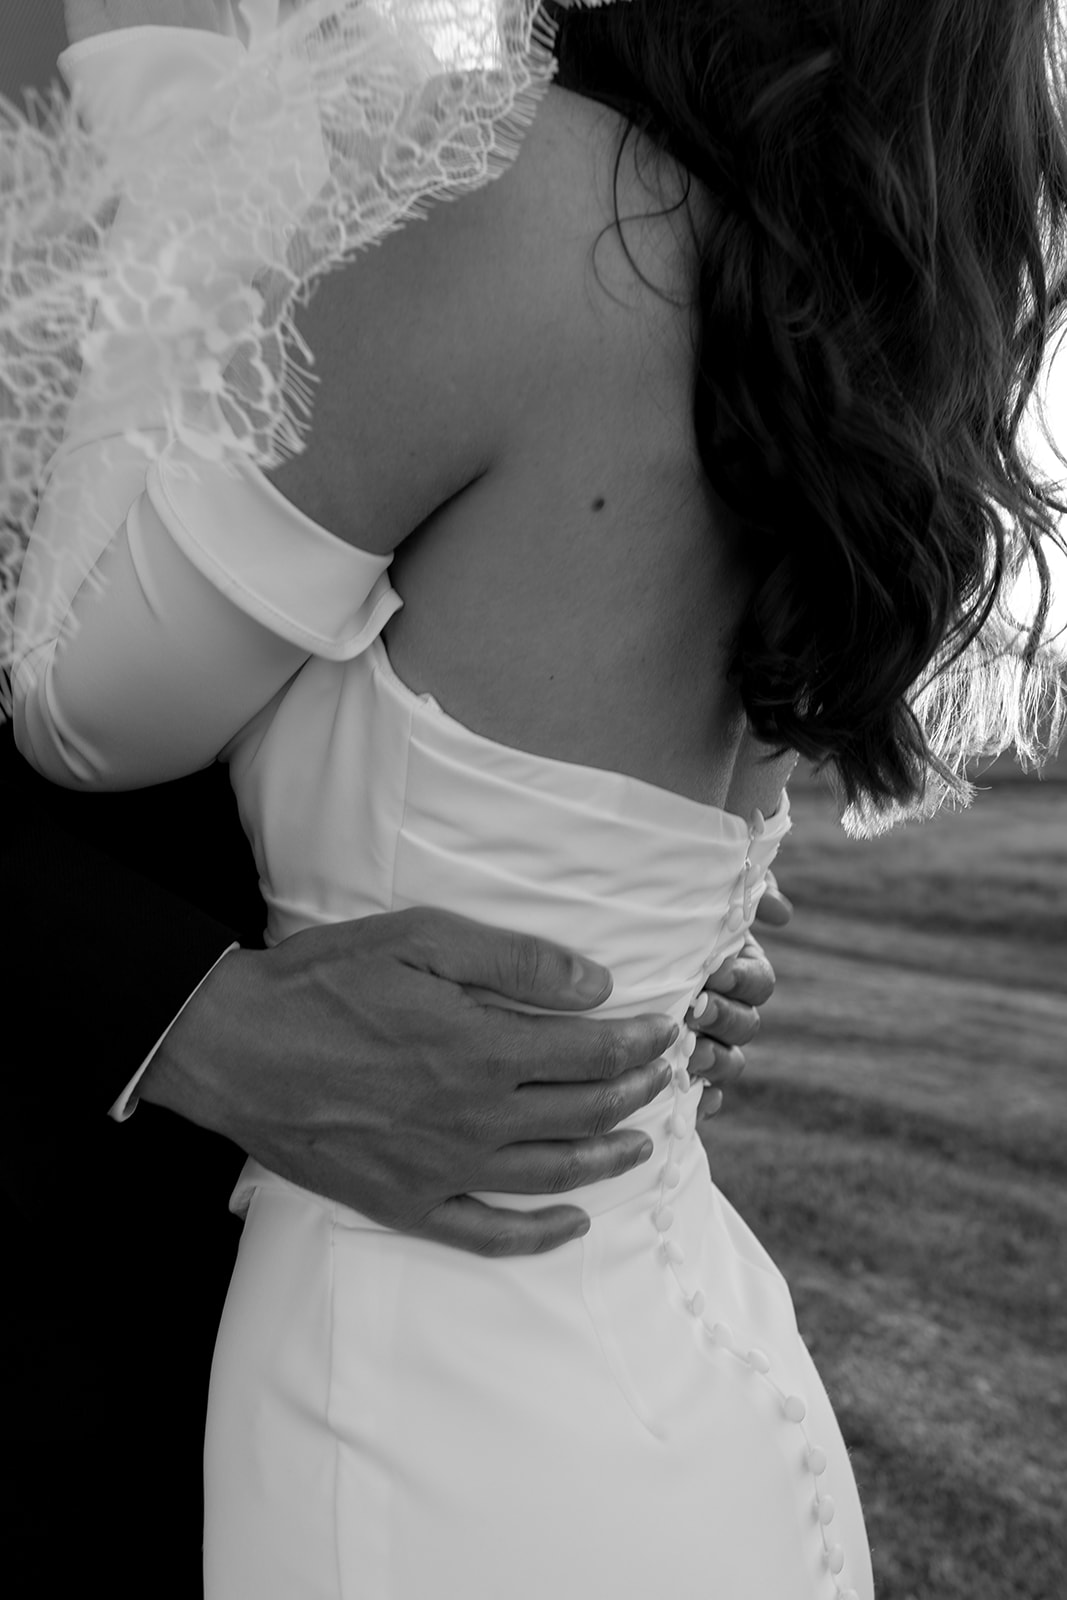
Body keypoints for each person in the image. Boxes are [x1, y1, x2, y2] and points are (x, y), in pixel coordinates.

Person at [10, 2, 1067, 1598]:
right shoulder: (812, 291)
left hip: (427, 1399)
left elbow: (77, 713)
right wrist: (638, 938)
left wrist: (176, 126)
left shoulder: (521, 189)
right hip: (686, 1385)